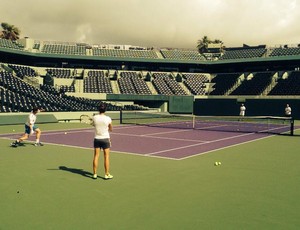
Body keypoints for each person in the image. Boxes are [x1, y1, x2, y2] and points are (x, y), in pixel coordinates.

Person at [92, 103, 113, 180]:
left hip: (97, 139)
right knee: (106, 157)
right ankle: (106, 174)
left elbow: (94, 124)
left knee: (96, 156)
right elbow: (111, 129)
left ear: (99, 109)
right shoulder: (108, 118)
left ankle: (94, 174)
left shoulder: (94, 117)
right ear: (105, 110)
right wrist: (107, 127)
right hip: (105, 139)